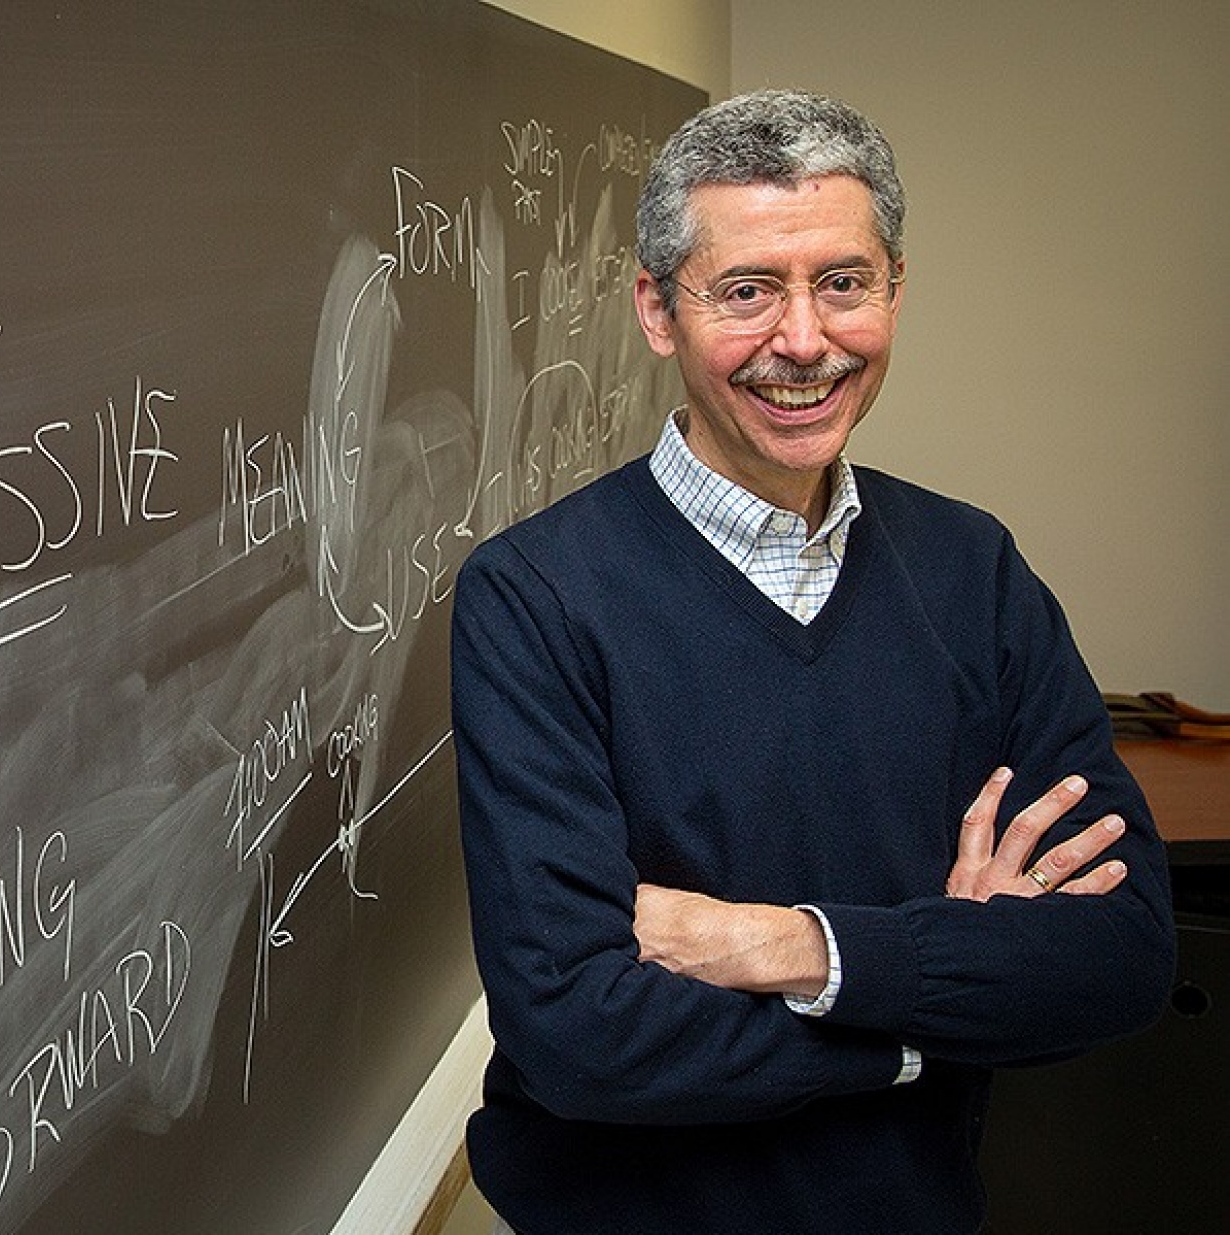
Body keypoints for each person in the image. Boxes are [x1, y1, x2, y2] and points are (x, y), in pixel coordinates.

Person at [451, 89, 1176, 1235]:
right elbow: (579, 1035)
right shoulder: (532, 598)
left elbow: (1124, 956)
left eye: (842, 281)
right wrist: (929, 1002)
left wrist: (777, 944)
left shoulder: (970, 569)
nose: (802, 340)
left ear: (893, 286)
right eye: (746, 291)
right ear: (655, 309)